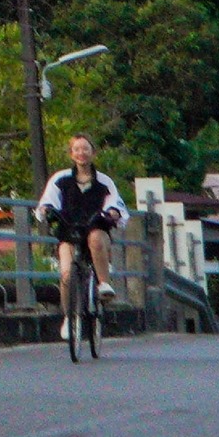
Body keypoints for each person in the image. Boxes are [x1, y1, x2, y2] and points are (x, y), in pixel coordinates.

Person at [36, 133, 128, 320]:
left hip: (96, 227)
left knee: (96, 239)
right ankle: (69, 318)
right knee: (67, 274)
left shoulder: (104, 181)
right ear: (71, 154)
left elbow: (115, 203)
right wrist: (47, 210)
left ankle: (103, 284)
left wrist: (112, 213)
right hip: (68, 231)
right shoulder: (60, 179)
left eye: (85, 149)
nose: (81, 153)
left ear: (93, 153)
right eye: (77, 149)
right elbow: (47, 201)